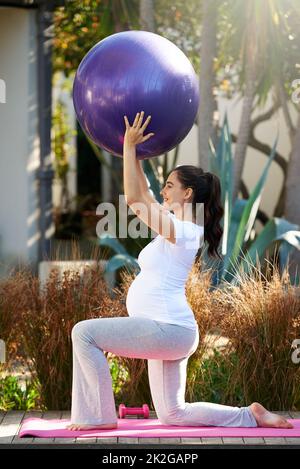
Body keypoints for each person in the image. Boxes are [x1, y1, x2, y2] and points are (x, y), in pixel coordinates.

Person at [67, 112, 292, 431]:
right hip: (170, 330)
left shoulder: (186, 231)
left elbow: (133, 200)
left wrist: (128, 147)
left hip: (167, 328)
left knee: (84, 332)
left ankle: (98, 417)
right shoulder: (173, 228)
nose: (164, 191)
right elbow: (143, 192)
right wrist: (138, 154)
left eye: (170, 185)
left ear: (187, 193)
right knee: (174, 413)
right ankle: (250, 414)